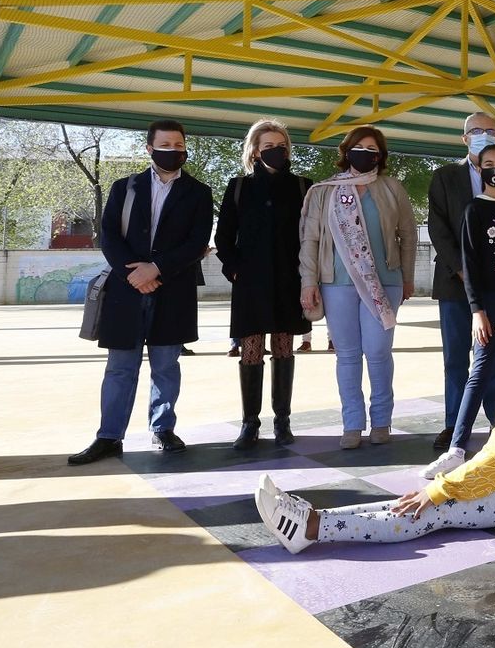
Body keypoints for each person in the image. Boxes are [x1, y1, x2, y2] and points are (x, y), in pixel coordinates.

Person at [255, 316, 495, 553]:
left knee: (431, 509)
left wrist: (442, 489)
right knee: (416, 500)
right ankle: (314, 518)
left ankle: (313, 531)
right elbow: (494, 449)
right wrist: (445, 485)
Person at [69, 119, 213, 465]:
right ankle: (108, 436)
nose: (173, 151)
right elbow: (108, 235)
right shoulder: (125, 187)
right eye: (165, 145)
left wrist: (157, 268)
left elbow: (196, 242)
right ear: (149, 148)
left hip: (172, 290)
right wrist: (134, 274)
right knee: (120, 367)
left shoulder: (199, 192)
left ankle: (163, 428)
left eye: (178, 145)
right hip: (126, 290)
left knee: (166, 366)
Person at [298, 126, 416, 450]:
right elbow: (310, 239)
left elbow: (408, 234)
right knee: (347, 355)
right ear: (346, 151)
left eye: (372, 148)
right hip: (335, 284)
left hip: (385, 283)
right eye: (359, 147)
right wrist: (308, 282)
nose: (365, 153)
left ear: (380, 155)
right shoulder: (324, 191)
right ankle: (352, 423)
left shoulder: (392, 188)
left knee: (378, 352)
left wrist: (407, 277)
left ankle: (381, 420)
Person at [420, 142, 495, 478]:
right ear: (479, 169)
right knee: (480, 369)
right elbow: (469, 264)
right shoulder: (474, 211)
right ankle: (457, 445)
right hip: (490, 302)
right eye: (489, 163)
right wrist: (477, 310)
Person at [215, 119, 313, 450]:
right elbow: (224, 236)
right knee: (251, 349)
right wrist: (234, 269)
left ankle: (282, 421)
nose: (276, 151)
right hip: (251, 282)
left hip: (290, 280)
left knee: (284, 346)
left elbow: (312, 235)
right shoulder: (239, 186)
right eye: (268, 146)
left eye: (281, 146)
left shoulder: (303, 186)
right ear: (255, 151)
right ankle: (249, 424)